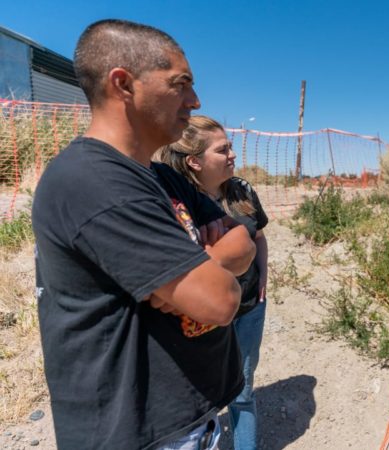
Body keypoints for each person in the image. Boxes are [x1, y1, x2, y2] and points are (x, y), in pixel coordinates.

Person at [32, 19, 256, 450]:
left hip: (186, 418)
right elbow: (220, 301)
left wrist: (198, 266)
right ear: (123, 84)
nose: (195, 100)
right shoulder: (93, 181)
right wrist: (204, 272)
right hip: (135, 432)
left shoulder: (158, 177)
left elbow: (242, 238)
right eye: (181, 84)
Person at [157, 115, 269, 450]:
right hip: (199, 317)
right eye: (223, 150)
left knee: (244, 391)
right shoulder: (176, 197)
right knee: (200, 397)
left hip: (248, 306)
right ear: (194, 161)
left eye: (230, 146)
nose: (233, 154)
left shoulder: (242, 191)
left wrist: (263, 275)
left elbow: (258, 237)